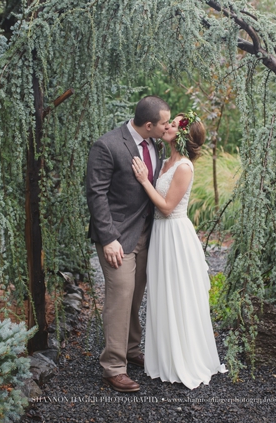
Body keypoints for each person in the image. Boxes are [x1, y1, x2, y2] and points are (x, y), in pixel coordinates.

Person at [130, 111, 226, 389]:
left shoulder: (183, 166)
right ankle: (165, 358)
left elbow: (167, 206)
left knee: (178, 295)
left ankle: (184, 359)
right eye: (170, 123)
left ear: (184, 134)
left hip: (174, 235)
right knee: (162, 294)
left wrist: (144, 179)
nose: (168, 126)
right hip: (160, 236)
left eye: (173, 124)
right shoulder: (165, 159)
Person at [85, 95, 170, 393]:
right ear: (149, 125)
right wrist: (108, 239)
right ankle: (113, 367)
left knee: (135, 296)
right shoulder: (107, 146)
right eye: (165, 123)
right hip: (117, 237)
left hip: (146, 233)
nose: (168, 127)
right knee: (120, 296)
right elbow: (95, 195)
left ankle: (131, 349)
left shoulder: (154, 144)